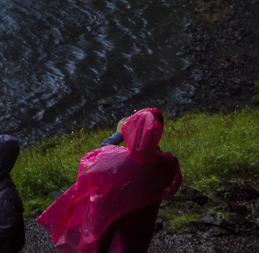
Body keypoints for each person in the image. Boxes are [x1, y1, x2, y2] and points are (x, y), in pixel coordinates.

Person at [38, 106, 181, 253]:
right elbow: (166, 179)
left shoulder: (117, 161)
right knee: (134, 247)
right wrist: (148, 137)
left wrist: (118, 134)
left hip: (108, 216)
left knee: (100, 244)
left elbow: (103, 152)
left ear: (131, 130)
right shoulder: (168, 163)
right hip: (143, 219)